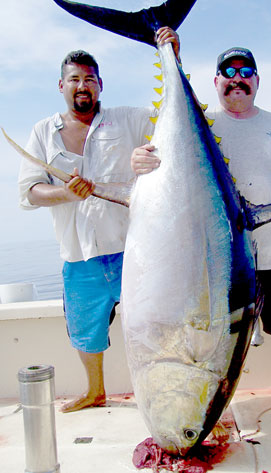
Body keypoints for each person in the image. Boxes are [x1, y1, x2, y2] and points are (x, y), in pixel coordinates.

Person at [131, 46, 271, 429]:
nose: (238, 79)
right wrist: (139, 159)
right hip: (218, 265)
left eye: (246, 72)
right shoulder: (199, 120)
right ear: (216, 82)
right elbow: (158, 159)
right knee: (222, 339)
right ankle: (213, 410)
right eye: (228, 73)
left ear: (256, 81)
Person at [18, 27, 180, 413]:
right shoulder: (43, 132)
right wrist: (64, 193)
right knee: (85, 332)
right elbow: (29, 192)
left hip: (134, 251)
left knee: (161, 327)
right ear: (61, 85)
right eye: (74, 79)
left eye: (89, 79)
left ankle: (168, 391)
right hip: (79, 256)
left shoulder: (128, 119)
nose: (82, 86)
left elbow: (176, 117)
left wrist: (173, 55)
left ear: (100, 85)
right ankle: (95, 391)